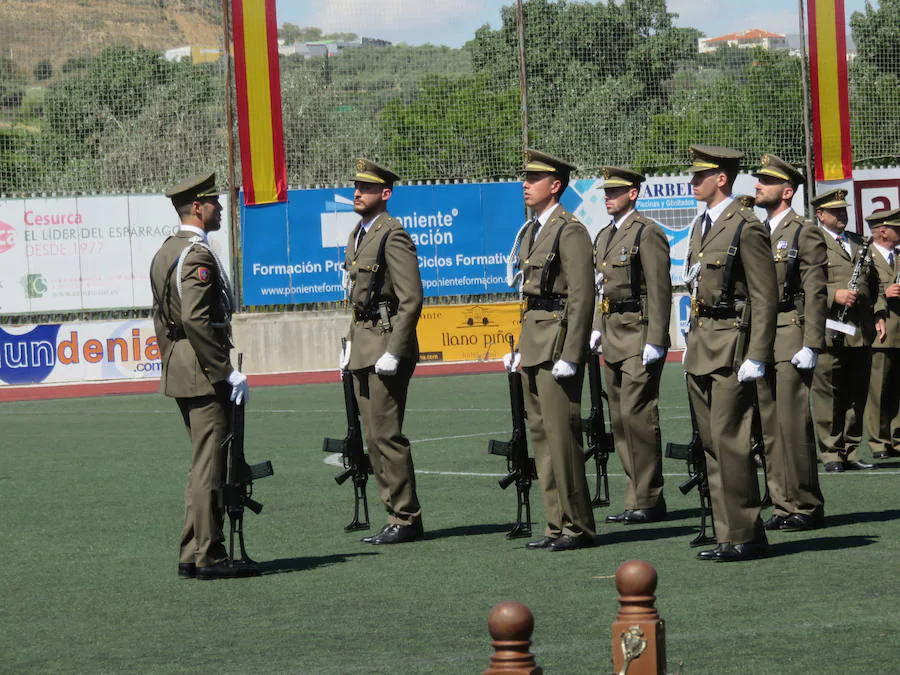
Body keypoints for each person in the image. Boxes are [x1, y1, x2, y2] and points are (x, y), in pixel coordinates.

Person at [150, 172, 254, 579]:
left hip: (182, 363)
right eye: (214, 202)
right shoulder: (196, 255)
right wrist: (225, 371)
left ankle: (192, 551)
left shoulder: (166, 251)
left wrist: (172, 357)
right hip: (202, 368)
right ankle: (209, 555)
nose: (220, 208)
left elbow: (162, 318)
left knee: (201, 462)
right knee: (211, 463)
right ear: (197, 206)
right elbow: (195, 318)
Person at [682, 145, 777, 562]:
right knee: (711, 444)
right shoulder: (702, 225)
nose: (692, 181)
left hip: (733, 344)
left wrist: (757, 354)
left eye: (700, 175)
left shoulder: (746, 225)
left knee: (732, 441)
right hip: (702, 343)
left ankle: (746, 533)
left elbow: (765, 296)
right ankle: (727, 532)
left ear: (721, 178)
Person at [504, 149, 596, 551]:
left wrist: (572, 354)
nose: (526, 183)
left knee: (562, 438)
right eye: (526, 177)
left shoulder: (569, 230)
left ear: (555, 185)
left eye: (534, 178)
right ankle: (555, 524)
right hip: (535, 341)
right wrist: (522, 346)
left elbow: (581, 296)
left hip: (558, 343)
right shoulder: (533, 230)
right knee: (541, 438)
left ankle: (578, 526)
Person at [341, 159, 424, 545]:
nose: (358, 192)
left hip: (386, 344)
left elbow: (411, 298)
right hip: (363, 342)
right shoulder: (358, 234)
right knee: (372, 437)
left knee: (386, 435)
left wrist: (396, 349)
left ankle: (406, 517)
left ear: (385, 194)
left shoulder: (393, 235)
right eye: (356, 186)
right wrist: (350, 344)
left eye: (367, 188)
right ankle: (394, 513)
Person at [590, 166, 671, 525]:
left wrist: (656, 338)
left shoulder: (646, 232)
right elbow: (600, 289)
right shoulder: (605, 235)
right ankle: (635, 497)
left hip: (638, 334)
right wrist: (595, 328)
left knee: (639, 417)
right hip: (612, 333)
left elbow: (659, 290)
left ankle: (649, 498)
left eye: (615, 191)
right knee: (620, 421)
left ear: (633, 193)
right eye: (606, 192)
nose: (607, 196)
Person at [751, 154, 828, 532]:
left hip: (791, 331)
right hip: (763, 336)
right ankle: (782, 503)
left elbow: (815, 290)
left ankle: (807, 503)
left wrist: (811, 343)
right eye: (758, 179)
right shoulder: (757, 229)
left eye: (765, 181)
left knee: (793, 424)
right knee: (769, 425)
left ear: (787, 190)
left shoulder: (803, 231)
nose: (757, 185)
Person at [810, 189, 881, 472]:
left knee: (856, 392)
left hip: (858, 329)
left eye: (843, 210)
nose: (842, 215)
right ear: (820, 214)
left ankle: (851, 450)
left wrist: (877, 313)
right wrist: (832, 295)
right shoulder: (813, 241)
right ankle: (831, 452)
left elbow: (872, 283)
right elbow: (803, 283)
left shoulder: (858, 242)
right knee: (828, 392)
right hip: (828, 327)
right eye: (835, 211)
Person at [864, 208, 900, 461]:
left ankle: (897, 438)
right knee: (878, 388)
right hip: (881, 329)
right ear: (884, 231)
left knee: (897, 388)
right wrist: (887, 291)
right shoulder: (867, 256)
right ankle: (878, 442)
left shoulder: (897, 256)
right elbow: (863, 289)